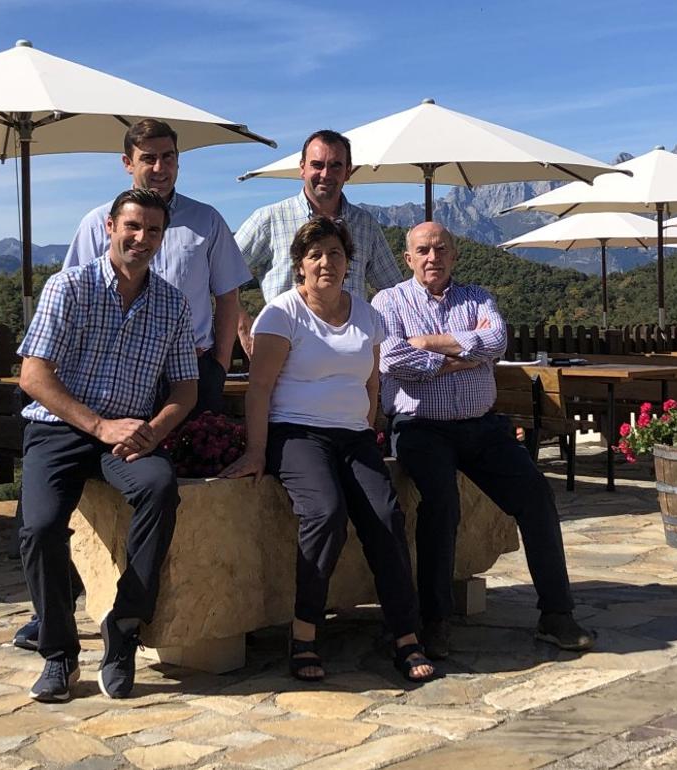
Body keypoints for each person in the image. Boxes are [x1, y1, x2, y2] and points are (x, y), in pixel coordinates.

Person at [220, 218, 435, 684]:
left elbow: (373, 381)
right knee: (325, 514)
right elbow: (259, 390)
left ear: (347, 262)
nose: (326, 263)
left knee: (386, 516)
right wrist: (257, 451)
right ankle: (304, 633)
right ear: (300, 264)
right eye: (315, 254)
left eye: (335, 254)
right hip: (296, 434)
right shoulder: (281, 315)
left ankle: (404, 634)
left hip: (353, 436)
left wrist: (367, 427)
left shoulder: (367, 315)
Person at [372, 221, 594, 660]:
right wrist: (464, 356)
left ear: (454, 255)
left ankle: (557, 614)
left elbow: (497, 340)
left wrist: (433, 348)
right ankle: (434, 621)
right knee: (441, 504)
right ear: (408, 258)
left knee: (535, 496)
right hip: (420, 427)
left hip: (481, 425)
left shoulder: (478, 297)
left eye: (440, 249)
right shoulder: (387, 301)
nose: (432, 257)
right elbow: (393, 356)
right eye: (423, 250)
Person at [17, 188, 198, 703]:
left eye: (154, 231)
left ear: (163, 238)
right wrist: (98, 426)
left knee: (160, 487)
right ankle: (59, 653)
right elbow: (34, 376)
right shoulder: (68, 287)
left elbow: (185, 389)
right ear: (110, 228)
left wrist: (153, 430)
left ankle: (124, 631)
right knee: (40, 527)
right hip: (59, 426)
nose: (142, 239)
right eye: (133, 227)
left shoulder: (171, 303)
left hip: (129, 435)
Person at [65, 118, 248, 416]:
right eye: (148, 159)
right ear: (127, 163)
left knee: (192, 460)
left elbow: (228, 295)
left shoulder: (207, 220)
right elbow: (76, 299)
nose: (160, 168)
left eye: (168, 157)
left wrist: (219, 365)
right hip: (115, 371)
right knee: (124, 456)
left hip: (192, 370)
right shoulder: (97, 224)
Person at [235, 129, 402, 356]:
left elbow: (394, 292)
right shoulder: (269, 219)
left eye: (335, 165)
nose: (326, 174)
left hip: (350, 357)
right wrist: (244, 327)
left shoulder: (364, 225)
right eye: (317, 165)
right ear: (302, 167)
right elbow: (223, 276)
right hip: (286, 356)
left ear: (348, 171)